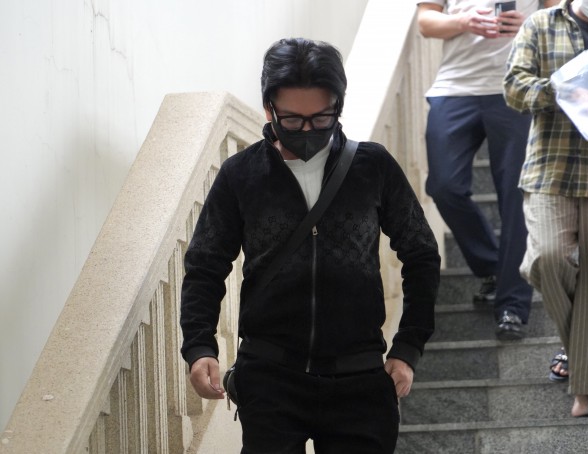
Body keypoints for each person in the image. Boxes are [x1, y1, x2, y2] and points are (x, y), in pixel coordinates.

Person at [180, 37, 441, 453]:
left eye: (321, 118)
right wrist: (199, 346)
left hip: (359, 378)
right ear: (269, 109)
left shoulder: (372, 167)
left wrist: (409, 346)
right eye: (292, 119)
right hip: (269, 377)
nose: (306, 130)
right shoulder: (240, 175)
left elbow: (421, 253)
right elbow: (205, 265)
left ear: (338, 106)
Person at [416, 0, 558, 341]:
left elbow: (560, 15)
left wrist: (530, 25)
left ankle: (513, 305)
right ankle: (492, 265)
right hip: (454, 87)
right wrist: (463, 22)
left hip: (516, 87)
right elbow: (426, 21)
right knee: (444, 187)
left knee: (516, 196)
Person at [504, 0, 588, 416]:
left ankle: (586, 394)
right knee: (545, 259)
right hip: (551, 169)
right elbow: (514, 87)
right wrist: (566, 90)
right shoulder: (541, 24)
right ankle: (586, 355)